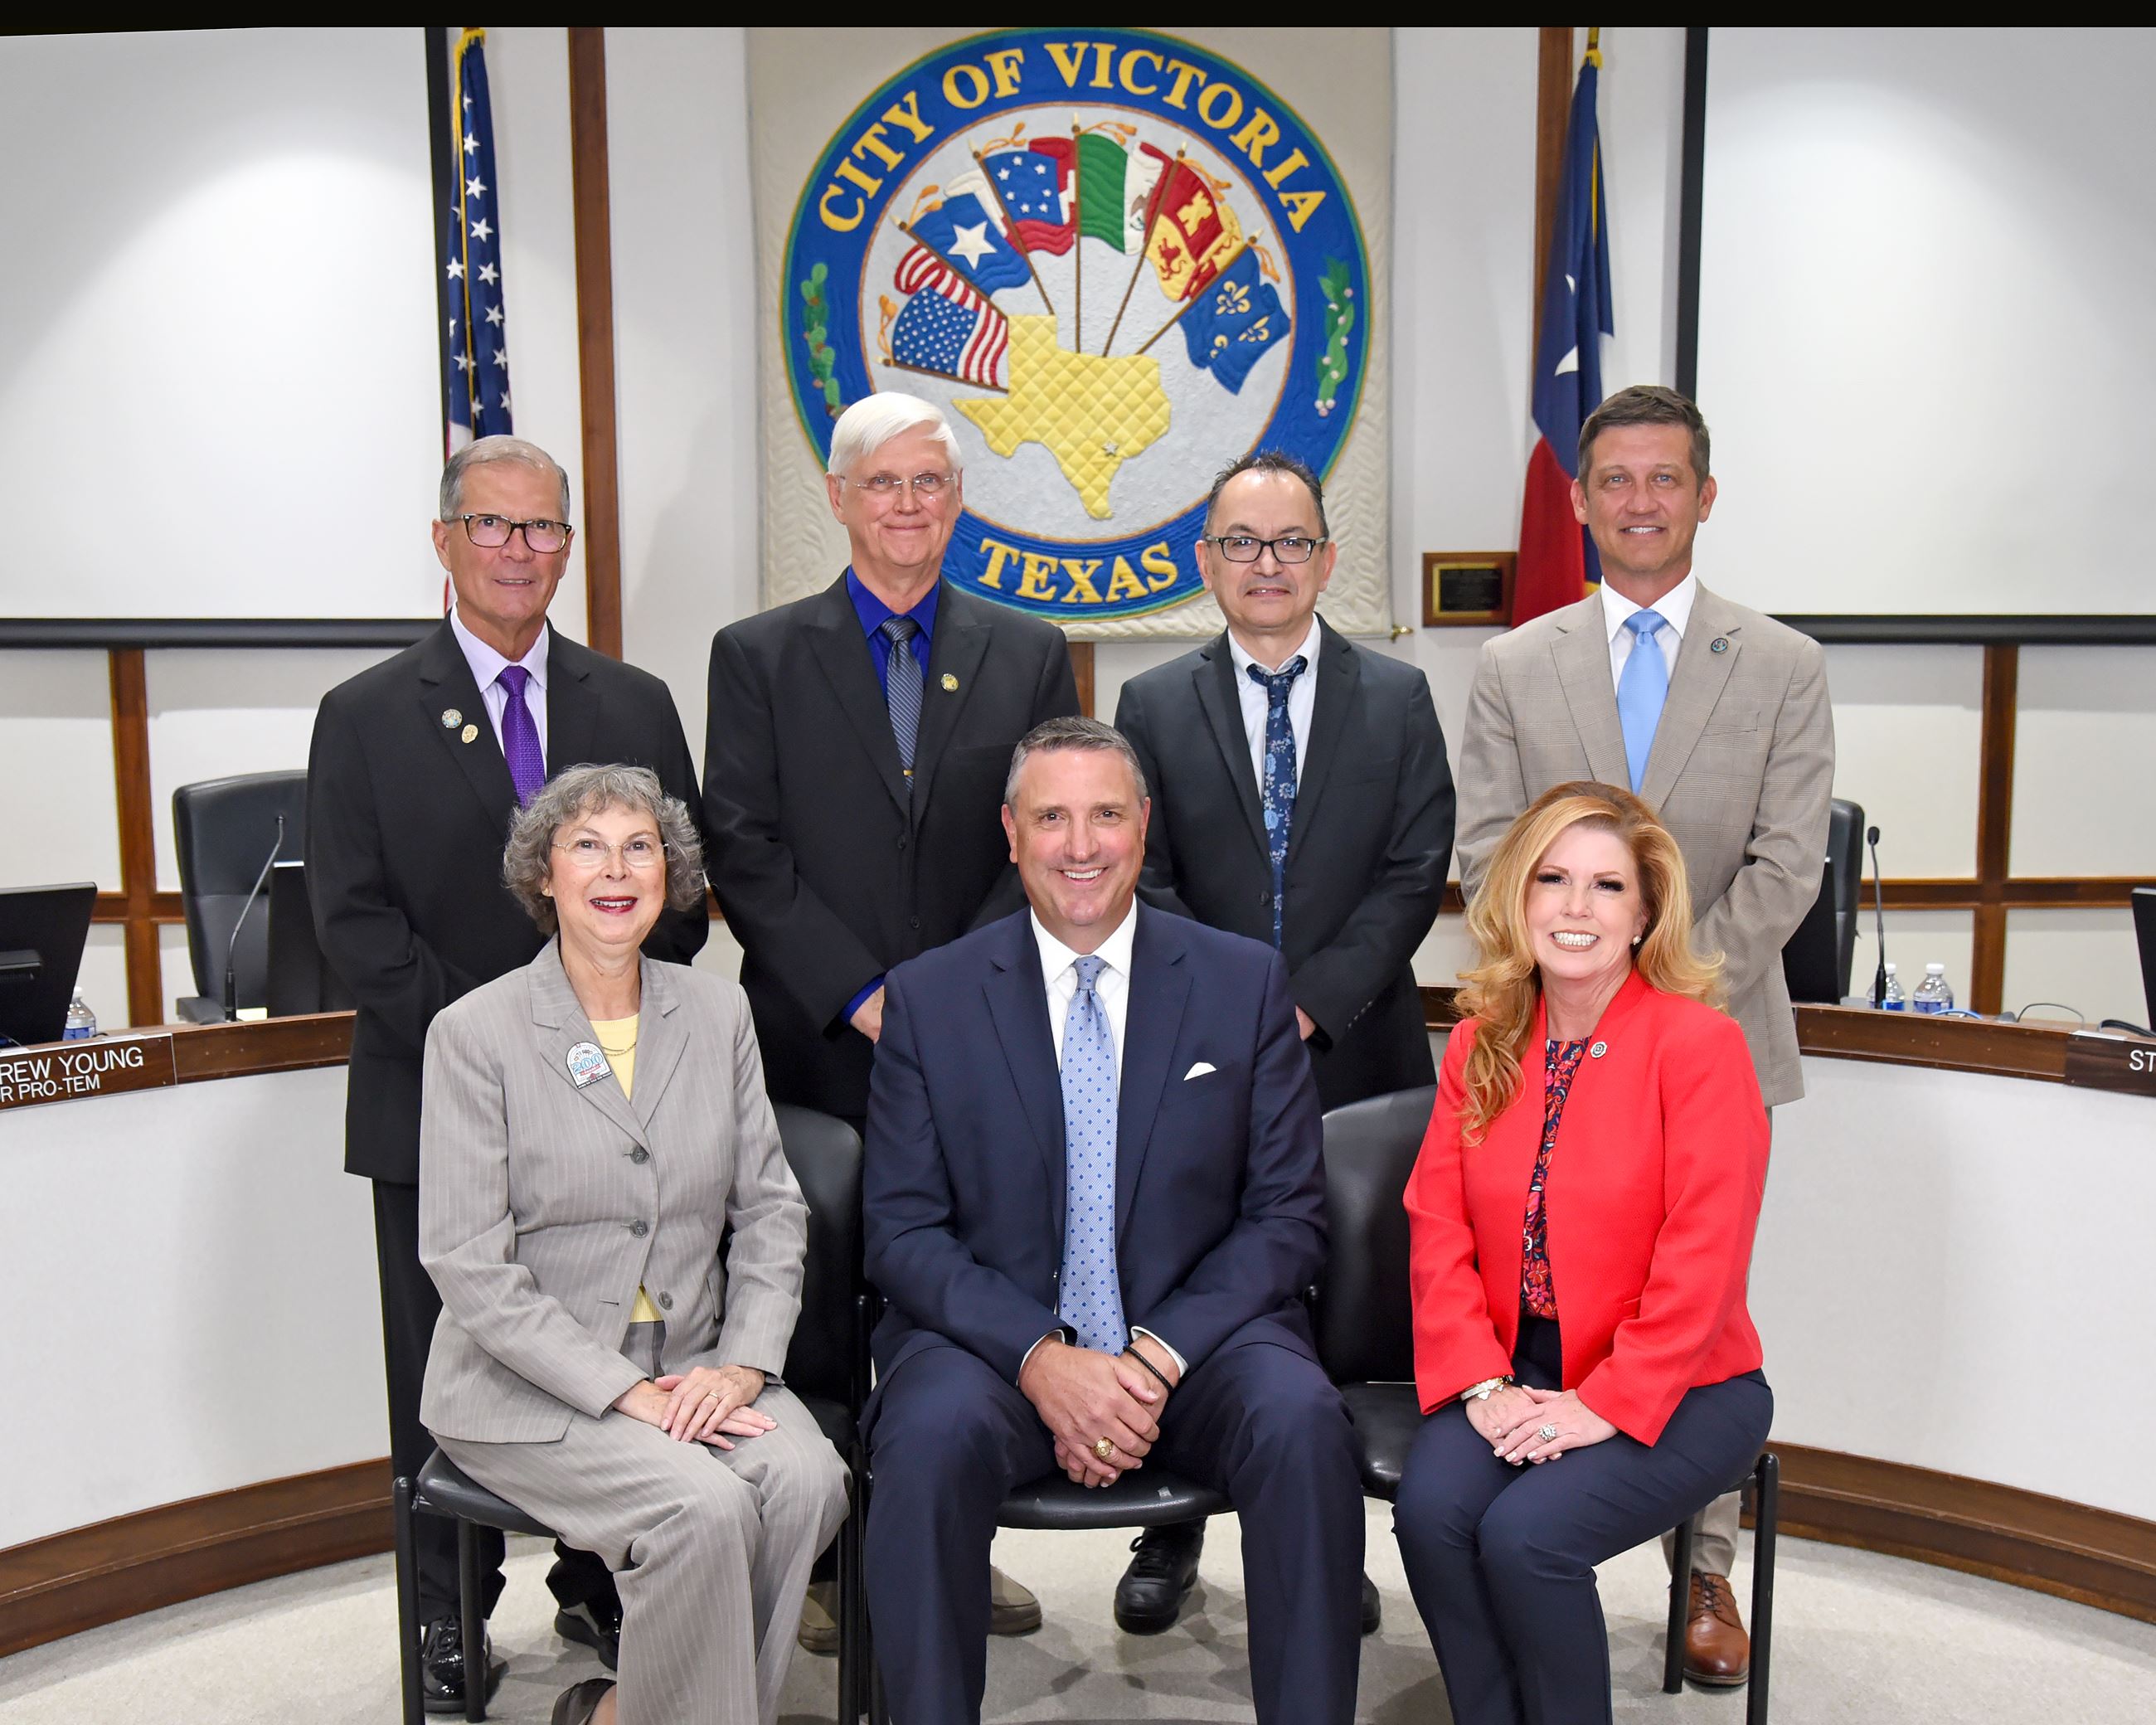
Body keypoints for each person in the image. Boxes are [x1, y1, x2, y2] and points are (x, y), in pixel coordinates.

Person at [306, 436, 707, 1708]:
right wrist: (511, 1058)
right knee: (446, 1380)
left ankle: (601, 1590)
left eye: (541, 530)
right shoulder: (363, 715)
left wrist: (593, 1044)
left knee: (622, 1346)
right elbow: (355, 924)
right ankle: (446, 1618)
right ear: (444, 542)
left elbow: (683, 902)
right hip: (437, 1109)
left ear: (567, 547)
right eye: (491, 527)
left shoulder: (633, 703)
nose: (518, 551)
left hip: (628, 1111)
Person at [862, 717, 1366, 1725]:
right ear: (1009, 832)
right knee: (920, 1437)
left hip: (1198, 1341)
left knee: (1303, 1421)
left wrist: (1150, 1359)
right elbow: (904, 1233)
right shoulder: (930, 997)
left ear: (1143, 825)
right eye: (1051, 816)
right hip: (995, 1346)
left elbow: (1285, 1215)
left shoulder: (1240, 982)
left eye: (1104, 814)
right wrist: (1043, 1359)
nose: (1079, 844)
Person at [1454, 384, 1830, 1684]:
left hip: (1714, 1036)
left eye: (1666, 479)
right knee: (1570, 1270)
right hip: (1546, 1034)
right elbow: (1492, 851)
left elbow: (1786, 868)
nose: (1640, 501)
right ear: (1582, 499)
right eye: (1615, 480)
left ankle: (1703, 1574)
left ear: (1704, 497)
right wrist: (1584, 990)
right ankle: (1546, 1489)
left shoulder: (1781, 663)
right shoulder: (1516, 663)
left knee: (1695, 1291)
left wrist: (1660, 1006)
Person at [704, 391, 1077, 1645]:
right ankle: (823, 1565)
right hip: (815, 1039)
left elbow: (1036, 837)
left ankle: (953, 1553)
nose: (908, 506)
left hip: (976, 1035)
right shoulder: (757, 655)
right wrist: (860, 994)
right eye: (885, 484)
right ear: (839, 497)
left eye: (931, 484)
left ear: (958, 501)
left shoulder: (1027, 651)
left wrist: (933, 995)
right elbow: (744, 850)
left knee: (958, 1301)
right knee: (808, 1302)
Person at [419, 764, 847, 1725]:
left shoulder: (715, 1011)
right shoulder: (473, 1034)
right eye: (587, 846)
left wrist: (742, 1365)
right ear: (544, 875)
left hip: (695, 1359)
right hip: (528, 1383)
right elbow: (466, 1262)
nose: (616, 870)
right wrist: (622, 1392)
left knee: (805, 1479)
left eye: (639, 846)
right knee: (700, 1509)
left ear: (669, 872)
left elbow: (772, 1209)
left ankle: (624, 1716)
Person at [1113, 448, 1452, 1634]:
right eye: (1242, 544)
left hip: (1358, 1054)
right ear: (1205, 561)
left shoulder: (1399, 698)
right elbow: (1137, 878)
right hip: (1196, 1058)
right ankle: (1171, 1522)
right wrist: (1237, 1016)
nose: (1267, 564)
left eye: (1290, 542)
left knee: (1339, 1305)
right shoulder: (1150, 705)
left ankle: (1320, 1541)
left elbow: (1415, 876)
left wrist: (1304, 1005)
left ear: (1327, 558)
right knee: (1195, 1280)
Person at [1394, 782, 1773, 1725]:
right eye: (1551, 879)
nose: (1573, 907)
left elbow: (1704, 1257)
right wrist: (1481, 1384)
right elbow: (1433, 1225)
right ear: (1515, 897)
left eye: (1606, 887)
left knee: (1527, 1537)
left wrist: (1602, 1404)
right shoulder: (1482, 1041)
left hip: (1684, 1385)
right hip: (1514, 1371)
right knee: (1433, 1515)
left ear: (1643, 913)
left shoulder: (1699, 1046)